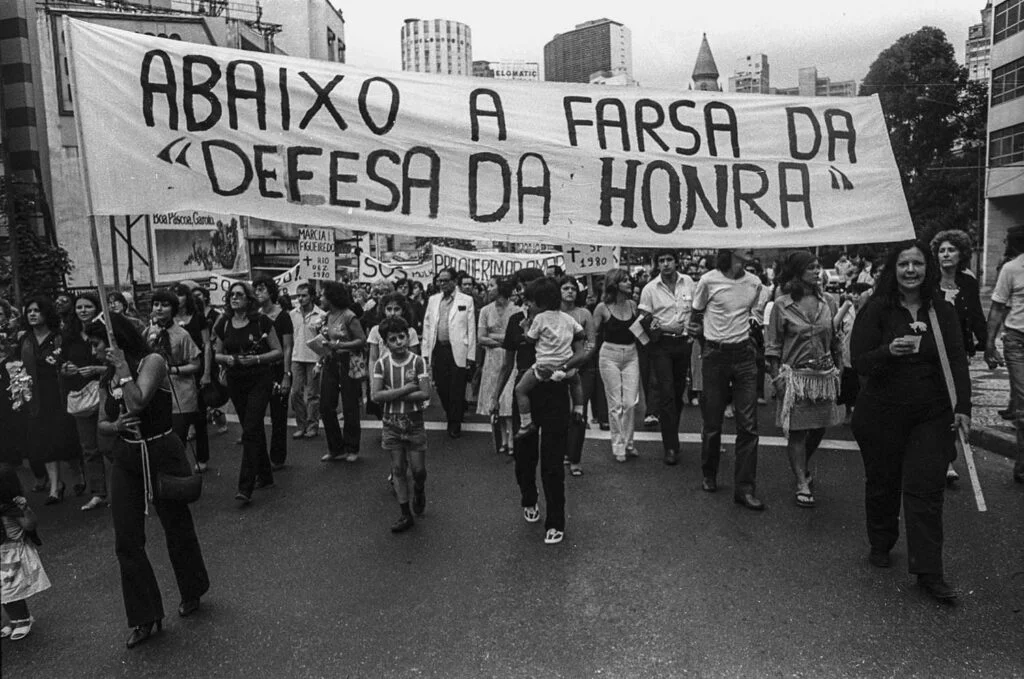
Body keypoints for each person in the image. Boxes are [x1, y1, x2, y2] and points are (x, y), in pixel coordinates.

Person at [851, 241, 970, 603]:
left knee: (926, 492)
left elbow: (957, 359)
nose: (911, 270)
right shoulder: (877, 309)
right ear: (894, 269)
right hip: (882, 414)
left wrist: (963, 405)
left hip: (930, 415)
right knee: (883, 483)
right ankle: (882, 541)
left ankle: (929, 572)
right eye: (904, 264)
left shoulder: (942, 311)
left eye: (918, 263)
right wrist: (889, 351)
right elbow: (859, 361)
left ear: (927, 269)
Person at [90, 315, 211, 647]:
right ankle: (145, 616)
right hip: (127, 458)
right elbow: (103, 420)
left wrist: (122, 370)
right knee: (127, 540)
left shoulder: (152, 361)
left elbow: (138, 400)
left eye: (97, 342)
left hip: (161, 451)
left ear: (116, 341)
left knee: (177, 527)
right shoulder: (105, 376)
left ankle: (193, 588)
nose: (93, 349)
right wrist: (114, 428)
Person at [493, 272, 587, 545]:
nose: (526, 304)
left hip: (555, 391)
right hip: (526, 391)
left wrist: (565, 369)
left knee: (553, 460)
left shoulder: (563, 323)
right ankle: (528, 496)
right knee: (524, 455)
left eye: (530, 300)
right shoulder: (516, 322)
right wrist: (495, 397)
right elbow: (507, 363)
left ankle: (556, 521)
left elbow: (580, 351)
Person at [764, 251, 845, 508]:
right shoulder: (782, 305)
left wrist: (840, 369)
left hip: (822, 377)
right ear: (798, 272)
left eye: (818, 266)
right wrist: (777, 378)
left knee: (819, 427)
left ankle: (802, 465)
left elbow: (835, 340)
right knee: (797, 433)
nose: (817, 271)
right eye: (811, 267)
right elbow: (773, 345)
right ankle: (801, 481)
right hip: (795, 378)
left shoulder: (829, 302)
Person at [690, 248, 766, 510]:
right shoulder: (708, 280)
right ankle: (709, 473)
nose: (751, 248)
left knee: (749, 425)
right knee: (713, 423)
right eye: (745, 244)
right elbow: (695, 315)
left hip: (744, 356)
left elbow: (754, 315)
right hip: (715, 356)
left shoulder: (755, 283)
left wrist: (752, 338)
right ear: (731, 249)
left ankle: (745, 489)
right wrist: (706, 343)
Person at [212, 282, 283, 504]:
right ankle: (265, 474)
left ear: (249, 299)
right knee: (251, 427)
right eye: (231, 295)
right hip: (236, 380)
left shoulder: (261, 322)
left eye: (239, 295)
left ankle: (245, 486)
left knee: (250, 429)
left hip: (259, 379)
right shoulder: (223, 323)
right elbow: (217, 355)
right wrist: (229, 359)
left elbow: (278, 351)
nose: (235, 298)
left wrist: (257, 359)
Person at [930, 229, 987, 485]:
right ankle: (937, 458)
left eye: (950, 249)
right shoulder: (929, 283)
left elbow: (975, 315)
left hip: (958, 354)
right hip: (931, 355)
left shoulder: (968, 283)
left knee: (954, 405)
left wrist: (988, 344)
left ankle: (948, 459)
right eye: (941, 250)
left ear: (961, 253)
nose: (946, 254)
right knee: (934, 404)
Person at [370, 316, 433, 533]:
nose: (398, 342)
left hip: (414, 422)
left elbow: (425, 392)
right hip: (391, 423)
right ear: (385, 343)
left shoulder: (418, 361)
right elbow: (376, 395)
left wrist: (391, 394)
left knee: (418, 470)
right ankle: (405, 513)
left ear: (408, 336)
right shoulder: (381, 364)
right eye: (393, 339)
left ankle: (419, 488)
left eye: (401, 337)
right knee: (397, 469)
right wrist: (406, 389)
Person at [18, 297, 83, 503]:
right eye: (29, 311)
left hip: (59, 393)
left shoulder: (59, 337)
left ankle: (77, 473)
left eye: (37, 310)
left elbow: (73, 360)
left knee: (65, 437)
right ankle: (56, 486)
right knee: (44, 442)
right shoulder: (25, 340)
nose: (33, 314)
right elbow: (16, 365)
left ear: (46, 313)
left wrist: (67, 368)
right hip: (35, 398)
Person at [638, 251, 696, 466]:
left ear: (676, 262)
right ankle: (670, 445)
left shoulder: (688, 282)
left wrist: (693, 333)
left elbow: (697, 309)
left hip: (683, 344)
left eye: (669, 260)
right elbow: (644, 318)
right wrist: (664, 327)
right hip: (661, 344)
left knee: (678, 390)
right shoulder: (650, 288)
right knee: (667, 392)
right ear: (657, 265)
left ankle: (672, 432)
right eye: (661, 261)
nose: (665, 264)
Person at [511, 281, 584, 440]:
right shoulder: (567, 318)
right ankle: (579, 410)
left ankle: (525, 423)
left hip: (543, 367)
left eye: (529, 301)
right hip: (565, 366)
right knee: (577, 383)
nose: (527, 305)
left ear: (539, 301)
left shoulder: (540, 318)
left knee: (520, 390)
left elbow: (530, 339)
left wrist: (525, 327)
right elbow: (581, 333)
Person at [148, 290, 203, 480]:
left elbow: (196, 364)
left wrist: (174, 370)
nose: (159, 308)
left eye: (165, 305)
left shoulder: (182, 334)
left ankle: (181, 480)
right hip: (156, 394)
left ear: (173, 309)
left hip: (181, 394)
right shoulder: (149, 332)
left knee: (177, 441)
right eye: (156, 304)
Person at [984, 225, 1024, 485]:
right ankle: (1022, 466)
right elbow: (997, 308)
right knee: (1023, 401)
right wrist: (989, 344)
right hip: (1018, 341)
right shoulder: (1011, 269)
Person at [61, 293, 107, 507]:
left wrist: (99, 369)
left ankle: (122, 488)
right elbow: (61, 361)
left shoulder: (106, 329)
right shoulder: (69, 334)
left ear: (96, 308)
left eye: (88, 306)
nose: (83, 310)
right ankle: (98, 492)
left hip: (105, 390)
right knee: (89, 447)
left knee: (110, 442)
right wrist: (65, 368)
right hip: (81, 394)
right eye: (79, 307)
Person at [422, 267, 477, 438]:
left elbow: (471, 329)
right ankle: (452, 411)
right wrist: (425, 351)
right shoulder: (433, 300)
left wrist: (471, 355)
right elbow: (427, 325)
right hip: (438, 348)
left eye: (446, 280)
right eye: (440, 280)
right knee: (441, 385)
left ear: (454, 281)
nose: (442, 284)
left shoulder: (466, 300)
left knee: (457, 386)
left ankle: (454, 422)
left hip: (458, 349)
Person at [593, 268, 641, 463]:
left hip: (631, 353)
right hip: (609, 355)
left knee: (630, 402)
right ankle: (619, 445)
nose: (629, 283)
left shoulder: (633, 305)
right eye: (625, 280)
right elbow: (593, 333)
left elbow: (639, 331)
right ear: (615, 284)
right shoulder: (602, 308)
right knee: (615, 403)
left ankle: (629, 442)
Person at [318, 281, 366, 463]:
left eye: (323, 295)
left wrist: (340, 345)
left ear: (332, 297)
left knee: (349, 405)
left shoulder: (349, 316)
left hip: (348, 362)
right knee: (326, 405)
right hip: (330, 361)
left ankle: (352, 447)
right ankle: (335, 448)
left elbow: (361, 340)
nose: (320, 298)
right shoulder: (326, 316)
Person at [0, 468, 49, 641]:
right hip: (3, 555)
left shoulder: (10, 509)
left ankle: (22, 619)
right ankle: (11, 620)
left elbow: (29, 525)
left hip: (11, 553)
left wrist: (25, 509)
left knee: (11, 588)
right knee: (4, 591)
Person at [558, 275, 598, 476]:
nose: (569, 291)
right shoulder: (552, 314)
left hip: (583, 370)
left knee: (578, 413)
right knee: (560, 412)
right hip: (558, 369)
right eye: (565, 288)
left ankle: (575, 458)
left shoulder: (584, 314)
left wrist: (579, 362)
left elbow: (591, 342)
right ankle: (563, 451)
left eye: (573, 288)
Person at [254, 276, 294, 470]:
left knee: (278, 414)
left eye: (261, 289)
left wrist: (286, 374)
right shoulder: (255, 316)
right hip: (259, 369)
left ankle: (277, 457)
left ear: (271, 291)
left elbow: (287, 347)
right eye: (255, 290)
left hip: (278, 370)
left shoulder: (283, 316)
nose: (258, 293)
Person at [171, 284, 212, 472]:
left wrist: (206, 373)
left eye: (180, 295)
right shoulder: (167, 320)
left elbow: (207, 346)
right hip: (173, 373)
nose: (177, 298)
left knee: (200, 416)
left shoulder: (198, 318)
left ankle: (202, 457)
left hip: (195, 369)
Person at [478, 277, 520, 455]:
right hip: (492, 358)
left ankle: (511, 438)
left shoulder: (517, 311)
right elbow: (481, 337)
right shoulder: (485, 311)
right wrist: (504, 340)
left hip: (511, 358)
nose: (488, 289)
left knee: (508, 397)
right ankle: (502, 437)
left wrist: (494, 338)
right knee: (495, 397)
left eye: (491, 285)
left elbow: (516, 338)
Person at [289, 283, 325, 439]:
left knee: (313, 394)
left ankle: (312, 425)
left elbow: (324, 340)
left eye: (304, 295)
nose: (300, 299)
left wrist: (320, 362)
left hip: (313, 359)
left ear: (311, 296)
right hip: (296, 358)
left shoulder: (321, 315)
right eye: (298, 296)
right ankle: (301, 425)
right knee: (295, 392)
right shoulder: (292, 314)